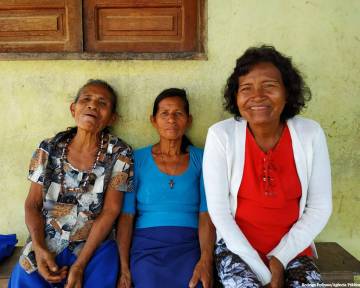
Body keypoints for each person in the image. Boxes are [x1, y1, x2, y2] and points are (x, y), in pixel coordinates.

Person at [203, 46, 332, 287]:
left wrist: (279, 259)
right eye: (246, 88)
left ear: (287, 92)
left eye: (269, 86)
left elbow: (320, 208)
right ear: (236, 97)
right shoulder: (221, 136)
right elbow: (219, 213)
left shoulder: (310, 134)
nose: (257, 96)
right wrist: (262, 273)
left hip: (294, 249)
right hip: (237, 249)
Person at [9, 79, 133, 288]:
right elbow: (32, 204)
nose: (92, 105)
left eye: (102, 103)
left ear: (112, 118)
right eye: (86, 99)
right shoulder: (48, 148)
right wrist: (38, 249)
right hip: (47, 241)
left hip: (94, 247)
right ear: (73, 109)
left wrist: (80, 265)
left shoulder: (120, 153)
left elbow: (111, 211)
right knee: (26, 275)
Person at [117, 88, 215, 288]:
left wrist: (205, 260)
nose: (171, 119)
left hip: (190, 246)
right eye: (164, 113)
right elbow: (126, 216)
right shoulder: (136, 159)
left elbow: (206, 214)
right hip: (146, 248)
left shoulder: (203, 158)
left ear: (188, 120)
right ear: (153, 120)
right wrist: (124, 268)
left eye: (178, 113)